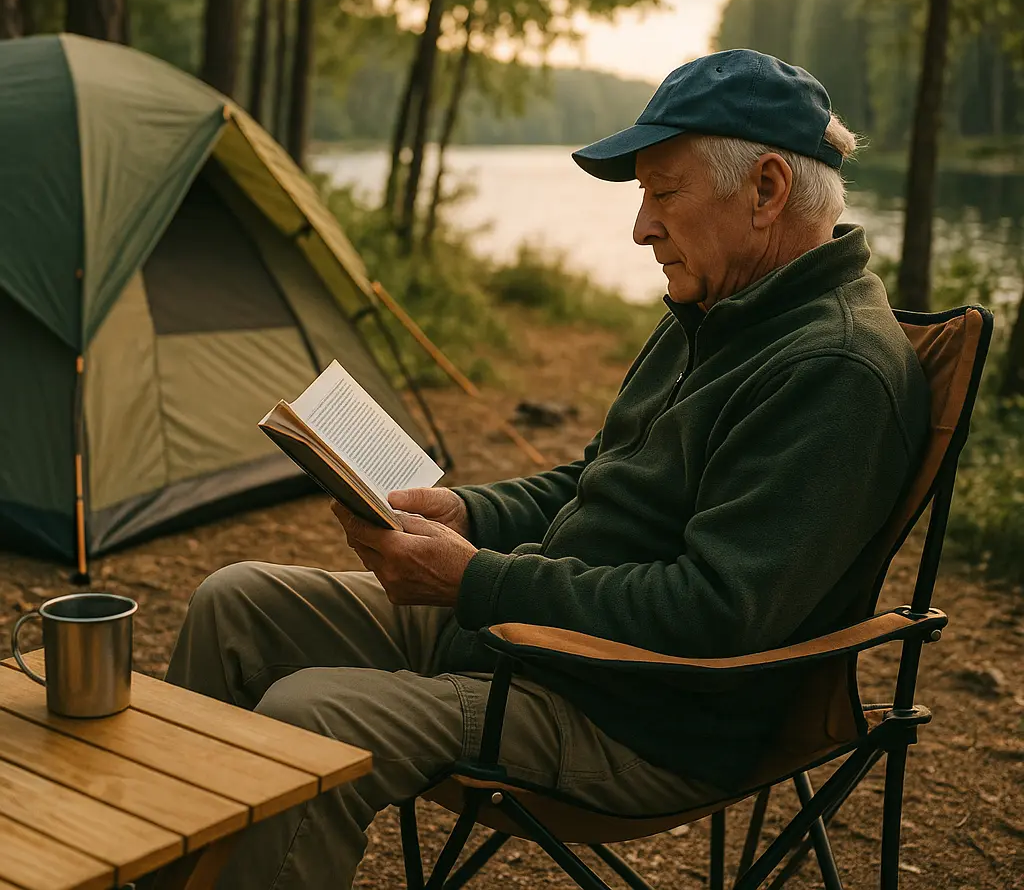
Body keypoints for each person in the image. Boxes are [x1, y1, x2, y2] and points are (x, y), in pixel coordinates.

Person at [164, 49, 930, 889]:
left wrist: (478, 583)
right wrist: (472, 520)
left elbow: (715, 614)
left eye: (662, 192)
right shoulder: (717, 310)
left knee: (309, 718)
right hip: (535, 641)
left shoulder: (833, 371)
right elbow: (600, 475)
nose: (642, 228)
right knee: (233, 603)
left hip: (637, 714)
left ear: (768, 189)